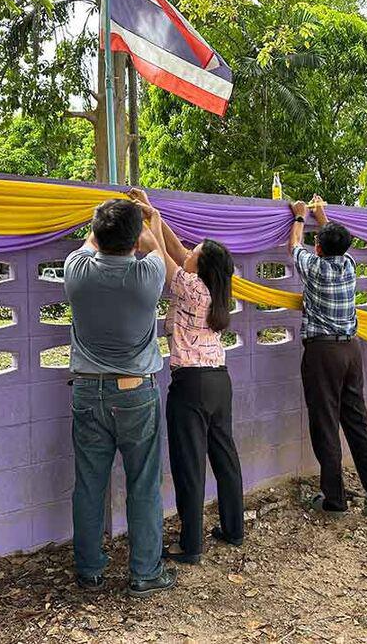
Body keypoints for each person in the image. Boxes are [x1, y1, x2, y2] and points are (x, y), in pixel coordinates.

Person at [63, 198, 177, 596]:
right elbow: (154, 246)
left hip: (87, 391)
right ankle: (145, 573)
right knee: (143, 484)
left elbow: (92, 242)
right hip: (135, 392)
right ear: (133, 240)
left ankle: (89, 572)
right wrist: (152, 217)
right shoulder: (148, 275)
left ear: (97, 232)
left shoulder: (76, 271)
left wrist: (106, 224)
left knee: (88, 484)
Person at [128, 188, 244, 565]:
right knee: (224, 457)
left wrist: (153, 219)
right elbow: (177, 251)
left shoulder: (190, 288)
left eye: (196, 251)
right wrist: (153, 212)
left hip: (191, 385)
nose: (189, 250)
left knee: (189, 465)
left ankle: (190, 545)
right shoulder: (215, 289)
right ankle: (233, 529)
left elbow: (161, 254)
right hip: (219, 382)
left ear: (200, 266)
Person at [288, 195, 367, 517]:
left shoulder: (315, 267)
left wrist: (300, 216)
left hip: (323, 353)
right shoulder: (349, 266)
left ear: (318, 248)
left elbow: (294, 246)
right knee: (357, 421)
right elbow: (335, 244)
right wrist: (323, 216)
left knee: (325, 423)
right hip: (351, 350)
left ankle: (334, 501)